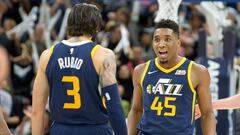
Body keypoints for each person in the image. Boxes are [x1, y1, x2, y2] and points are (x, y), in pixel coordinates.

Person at [32, 3, 127, 135]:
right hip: (95, 129)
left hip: (60, 129)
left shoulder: (47, 55)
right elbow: (114, 106)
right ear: (96, 27)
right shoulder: (103, 55)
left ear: (69, 23)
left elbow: (37, 110)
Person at [127, 19, 216, 135]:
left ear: (178, 43)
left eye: (167, 39)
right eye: (157, 39)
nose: (161, 44)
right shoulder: (141, 71)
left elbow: (207, 113)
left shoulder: (197, 72)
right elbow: (136, 110)